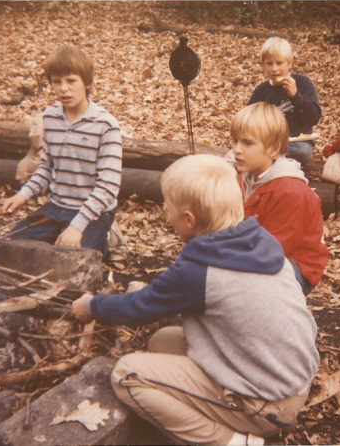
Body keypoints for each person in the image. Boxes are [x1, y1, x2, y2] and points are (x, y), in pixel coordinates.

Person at [71, 154, 320, 446]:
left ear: (189, 219)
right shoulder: (258, 240)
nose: (166, 216)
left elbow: (138, 307)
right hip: (288, 381)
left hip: (264, 404)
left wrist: (90, 306)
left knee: (128, 374)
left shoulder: (201, 269)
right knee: (163, 341)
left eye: (168, 210)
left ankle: (234, 441)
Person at [2, 44, 122, 258]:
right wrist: (23, 195)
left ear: (87, 82)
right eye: (56, 82)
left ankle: (105, 236)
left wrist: (77, 226)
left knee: (75, 260)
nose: (63, 89)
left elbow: (108, 186)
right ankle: (60, 231)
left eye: (71, 81)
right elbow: (46, 168)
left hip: (93, 213)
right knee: (10, 247)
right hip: (55, 207)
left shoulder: (106, 124)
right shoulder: (50, 117)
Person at [231, 102, 329, 295]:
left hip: (294, 265)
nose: (237, 150)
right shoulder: (243, 179)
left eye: (247, 143)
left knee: (234, 284)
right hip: (253, 250)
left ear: (274, 148)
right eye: (234, 141)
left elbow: (272, 251)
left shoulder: (290, 191)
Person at [247, 36, 321, 165]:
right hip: (270, 142)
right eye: (269, 64)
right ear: (263, 65)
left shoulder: (303, 83)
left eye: (279, 63)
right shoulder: (262, 91)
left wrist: (296, 95)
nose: (274, 69)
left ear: (289, 63)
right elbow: (248, 121)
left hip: (296, 142)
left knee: (302, 150)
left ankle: (269, 161)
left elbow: (314, 117)